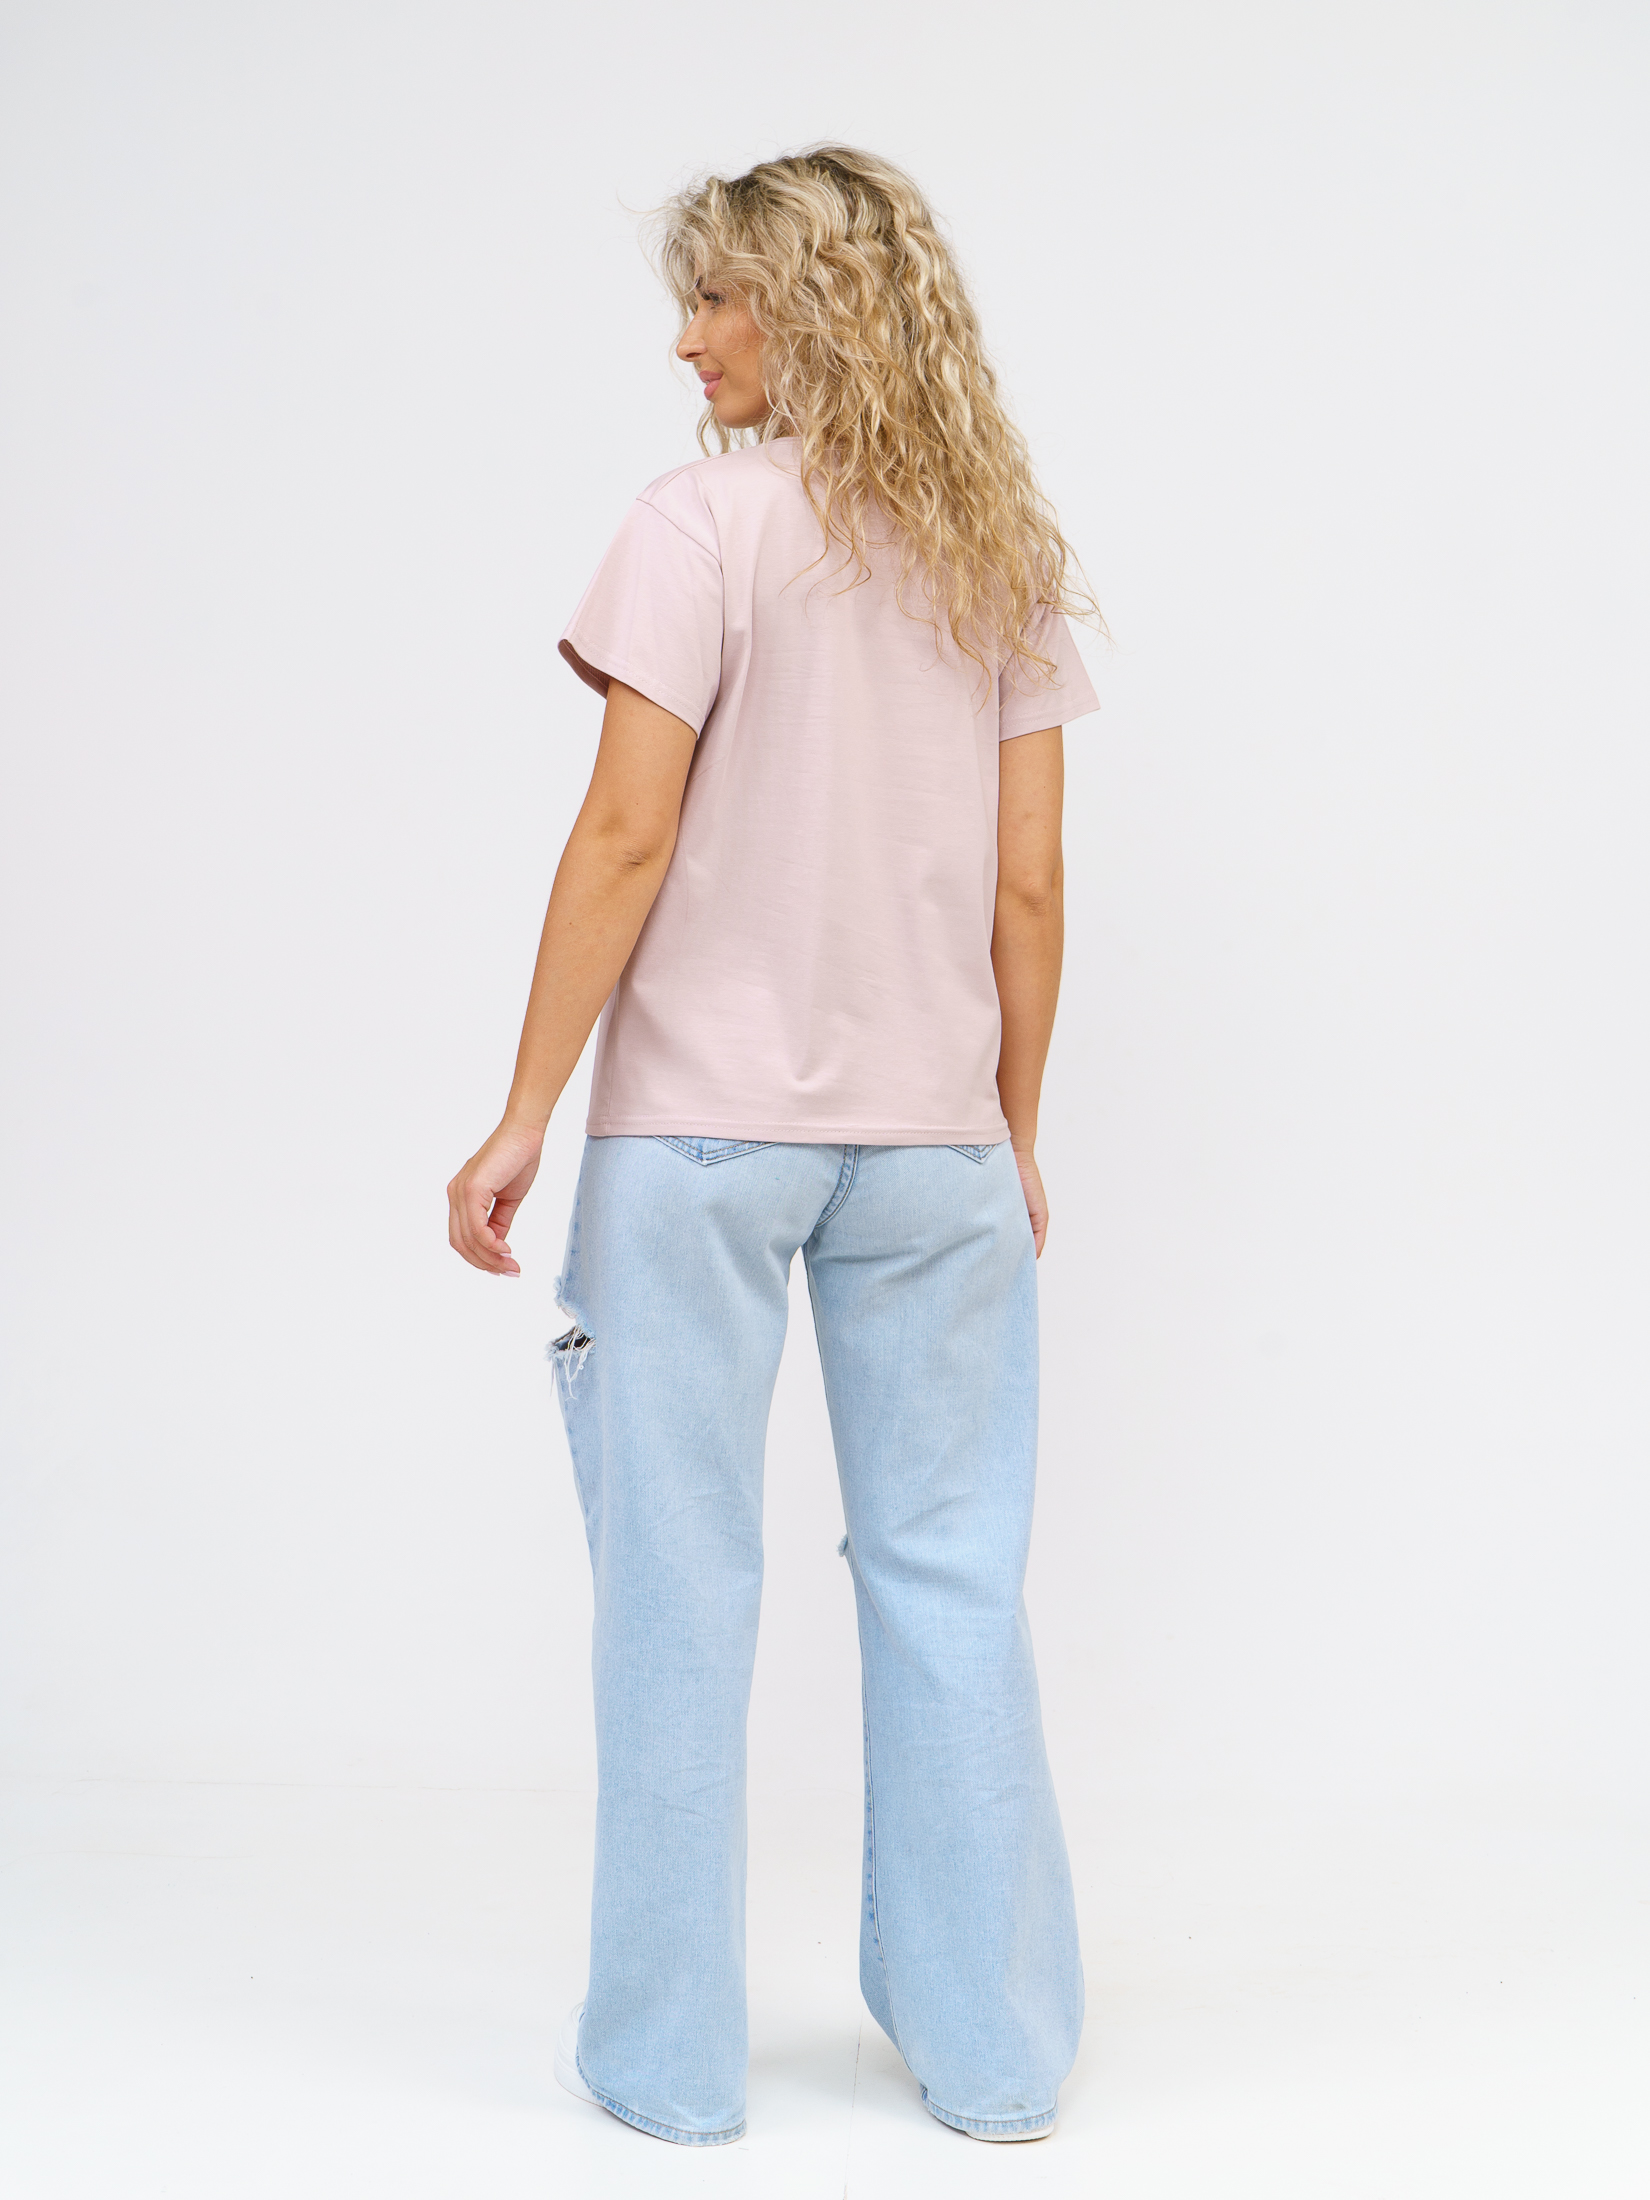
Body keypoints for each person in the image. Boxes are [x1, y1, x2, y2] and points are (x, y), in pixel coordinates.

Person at [447, 144, 1101, 2148]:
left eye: (720, 296)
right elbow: (1031, 885)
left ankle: (664, 2069)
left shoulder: (698, 524)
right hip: (934, 1151)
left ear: (811, 309)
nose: (688, 338)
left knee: (677, 1590)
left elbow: (625, 831)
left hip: (704, 1145)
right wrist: (1007, 1129)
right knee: (951, 1578)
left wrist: (524, 1106)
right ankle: (993, 2058)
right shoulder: (994, 552)